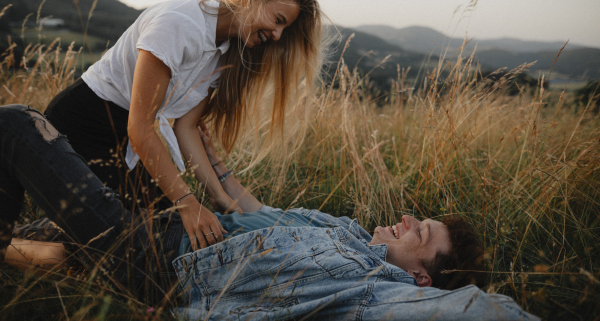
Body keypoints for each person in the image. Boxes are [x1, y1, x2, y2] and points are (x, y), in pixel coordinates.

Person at [0, 105, 540, 320]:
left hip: (160, 263)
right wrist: (208, 153)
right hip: (153, 227)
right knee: (20, 238)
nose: (404, 219)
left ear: (421, 276)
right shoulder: (342, 229)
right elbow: (245, 206)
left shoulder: (374, 287)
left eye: (417, 232)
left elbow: (483, 312)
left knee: (19, 125)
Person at [43, 0, 324, 252]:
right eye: (278, 20)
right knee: (137, 243)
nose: (277, 35)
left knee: (170, 232)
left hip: (126, 141)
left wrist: (219, 198)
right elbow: (140, 127)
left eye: (283, 28)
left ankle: (57, 231)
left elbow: (185, 128)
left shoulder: (223, 49)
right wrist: (187, 202)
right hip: (81, 126)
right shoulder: (177, 25)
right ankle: (26, 244)